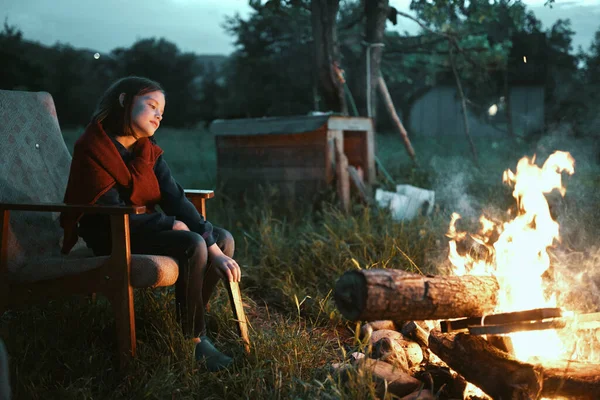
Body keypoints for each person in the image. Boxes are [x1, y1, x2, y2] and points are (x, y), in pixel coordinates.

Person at [59, 76, 241, 372]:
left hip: (142, 226)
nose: (159, 114)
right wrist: (171, 226)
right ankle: (193, 340)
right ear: (124, 101)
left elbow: (175, 198)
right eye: (151, 105)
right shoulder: (93, 147)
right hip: (110, 233)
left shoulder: (146, 149)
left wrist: (215, 246)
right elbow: (110, 211)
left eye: (162, 110)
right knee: (192, 243)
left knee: (223, 238)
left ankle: (193, 316)